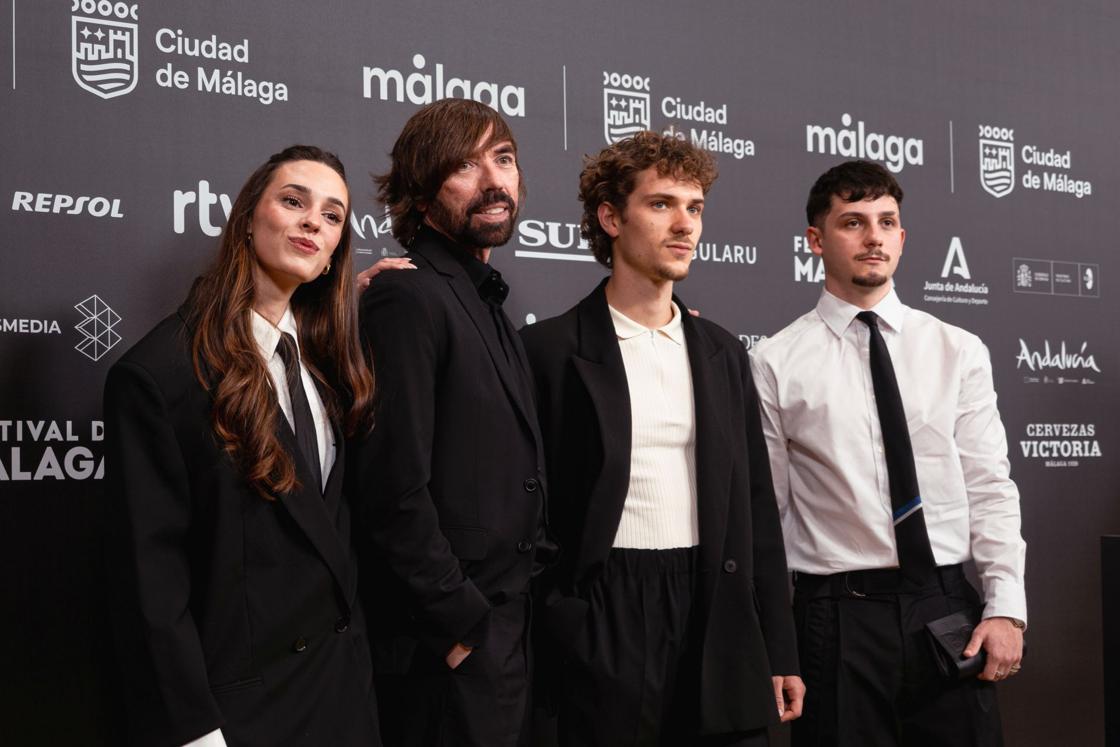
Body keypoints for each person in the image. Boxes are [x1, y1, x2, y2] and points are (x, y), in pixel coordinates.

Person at [520, 131, 803, 746]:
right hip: (604, 611)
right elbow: (525, 507)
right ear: (609, 217)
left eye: (695, 208)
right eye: (661, 204)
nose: (685, 225)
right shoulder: (546, 353)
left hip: (712, 606)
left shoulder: (724, 351)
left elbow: (756, 504)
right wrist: (561, 619)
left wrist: (778, 647)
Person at [104, 146, 380, 747]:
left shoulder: (331, 366)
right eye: (293, 201)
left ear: (336, 252)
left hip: (343, 699)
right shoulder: (162, 374)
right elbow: (150, 584)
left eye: (333, 216)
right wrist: (195, 732)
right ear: (247, 219)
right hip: (244, 718)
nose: (314, 222)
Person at [749, 160, 1026, 746]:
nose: (873, 237)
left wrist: (1005, 606)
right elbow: (765, 520)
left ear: (902, 236)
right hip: (836, 617)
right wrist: (775, 643)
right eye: (853, 222)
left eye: (887, 222)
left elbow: (990, 487)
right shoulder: (774, 362)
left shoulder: (958, 350)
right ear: (816, 241)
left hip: (947, 605)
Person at [350, 99, 549, 747]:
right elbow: (389, 489)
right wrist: (461, 627)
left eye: (505, 158)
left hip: (509, 636)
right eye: (465, 164)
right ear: (421, 188)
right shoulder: (408, 295)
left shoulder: (484, 299)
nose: (494, 180)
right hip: (447, 647)